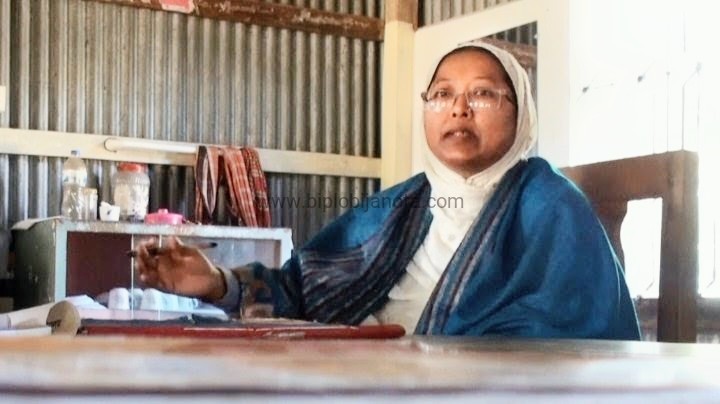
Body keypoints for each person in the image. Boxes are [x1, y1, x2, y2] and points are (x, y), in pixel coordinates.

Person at [135, 42, 641, 340]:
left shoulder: (551, 206)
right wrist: (216, 282)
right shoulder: (403, 203)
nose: (458, 108)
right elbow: (303, 289)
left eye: (484, 94)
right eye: (441, 94)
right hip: (360, 376)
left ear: (522, 112)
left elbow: (572, 341)